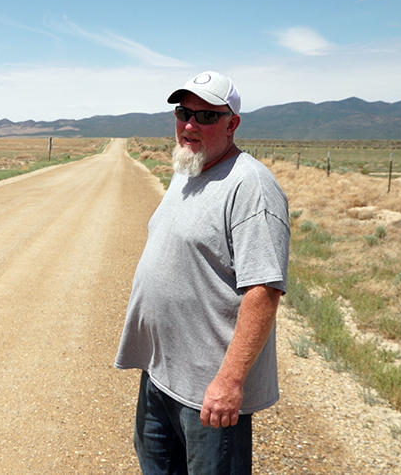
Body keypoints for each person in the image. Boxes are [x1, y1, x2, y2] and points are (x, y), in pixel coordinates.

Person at [115, 71, 290, 474]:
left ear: (232, 124)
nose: (190, 125)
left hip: (209, 393)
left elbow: (264, 290)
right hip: (161, 374)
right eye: (183, 113)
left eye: (207, 116)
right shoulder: (187, 171)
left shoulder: (251, 187)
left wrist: (229, 382)